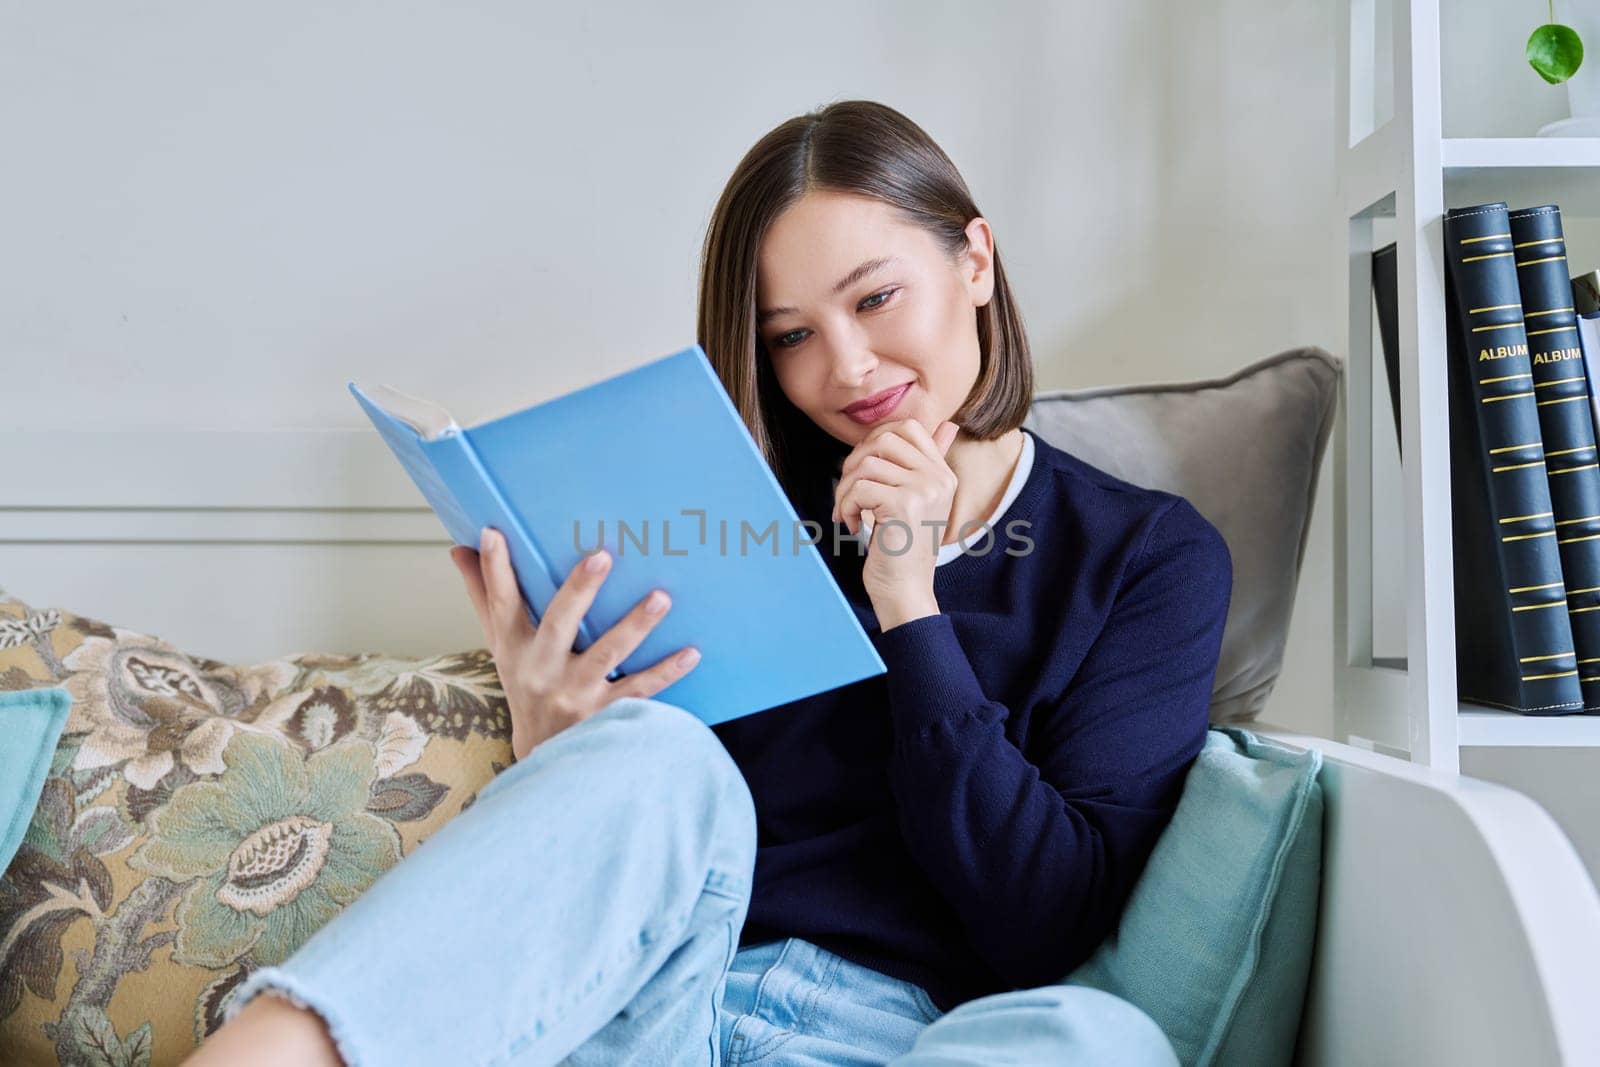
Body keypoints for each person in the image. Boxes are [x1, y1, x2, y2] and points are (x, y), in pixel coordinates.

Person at [183, 99, 1229, 1066]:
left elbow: (1041, 916)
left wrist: (909, 602)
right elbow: (630, 838)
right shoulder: (723, 506)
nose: (850, 366)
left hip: (898, 1036)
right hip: (646, 999)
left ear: (976, 261)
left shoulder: (1144, 557)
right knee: (658, 749)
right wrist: (554, 740)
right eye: (792, 337)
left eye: (875, 297)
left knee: (1096, 1036)